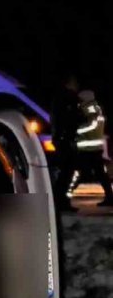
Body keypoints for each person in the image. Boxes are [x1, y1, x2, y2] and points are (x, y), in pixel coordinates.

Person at [74, 90, 113, 206]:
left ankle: (61, 197)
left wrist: (77, 131)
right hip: (93, 147)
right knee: (99, 173)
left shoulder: (90, 108)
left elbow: (92, 125)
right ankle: (110, 196)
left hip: (89, 148)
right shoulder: (95, 107)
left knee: (79, 172)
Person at [51, 74, 83, 212]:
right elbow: (72, 120)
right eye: (75, 82)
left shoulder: (59, 98)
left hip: (62, 140)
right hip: (67, 141)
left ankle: (61, 201)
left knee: (66, 173)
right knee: (67, 173)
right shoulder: (68, 98)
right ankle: (61, 202)